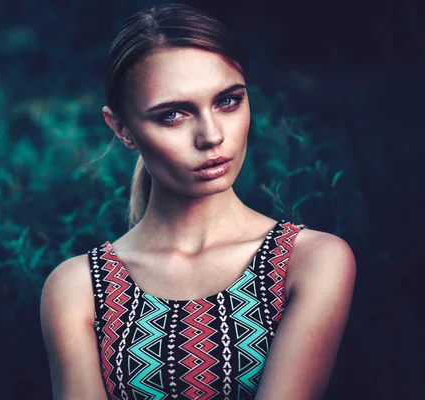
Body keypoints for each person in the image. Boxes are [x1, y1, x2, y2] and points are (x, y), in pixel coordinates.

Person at [40, 3, 356, 399]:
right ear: (121, 129)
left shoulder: (310, 260)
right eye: (173, 115)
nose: (211, 136)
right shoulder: (79, 287)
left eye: (228, 101)